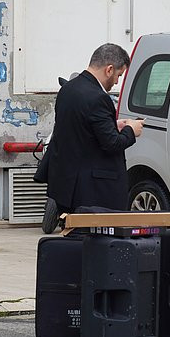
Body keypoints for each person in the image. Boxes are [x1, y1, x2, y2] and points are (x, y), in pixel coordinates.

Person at [42, 43, 143, 213]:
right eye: (119, 75)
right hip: (92, 190)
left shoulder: (68, 89)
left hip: (66, 184)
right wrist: (131, 130)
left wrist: (112, 125)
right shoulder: (98, 98)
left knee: (72, 235)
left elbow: (79, 128)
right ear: (109, 69)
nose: (117, 82)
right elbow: (112, 144)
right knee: (93, 238)